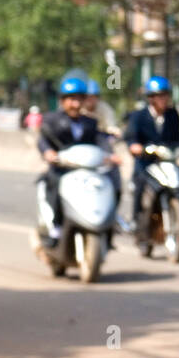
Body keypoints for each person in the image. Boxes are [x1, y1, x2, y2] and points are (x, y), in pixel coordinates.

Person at [37, 74, 123, 238]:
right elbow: (43, 141)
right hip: (63, 168)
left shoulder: (90, 122)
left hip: (87, 168)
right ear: (62, 101)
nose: (75, 104)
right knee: (54, 184)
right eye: (71, 99)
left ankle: (109, 221)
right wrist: (48, 153)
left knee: (109, 182)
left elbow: (100, 140)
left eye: (79, 99)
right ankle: (56, 224)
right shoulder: (52, 120)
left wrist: (111, 156)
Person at [124, 75, 179, 251]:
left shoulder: (173, 115)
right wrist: (136, 147)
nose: (163, 99)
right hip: (146, 164)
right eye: (159, 95)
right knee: (140, 188)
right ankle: (137, 222)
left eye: (165, 95)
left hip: (166, 162)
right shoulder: (139, 116)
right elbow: (131, 138)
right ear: (151, 98)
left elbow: (177, 141)